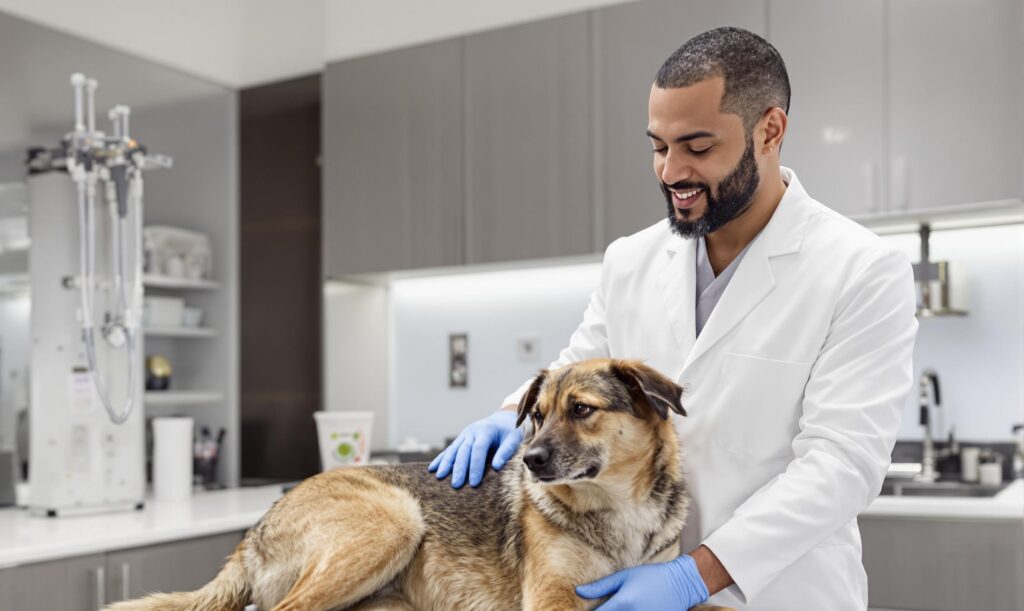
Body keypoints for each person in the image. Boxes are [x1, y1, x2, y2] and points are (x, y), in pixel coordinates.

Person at [428, 26, 917, 610]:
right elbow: (578, 366)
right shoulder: (630, 259)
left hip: (778, 594)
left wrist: (695, 575)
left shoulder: (861, 269)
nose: (670, 171)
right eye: (659, 146)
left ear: (770, 130)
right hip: (630, 573)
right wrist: (511, 414)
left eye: (698, 147)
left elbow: (842, 466)